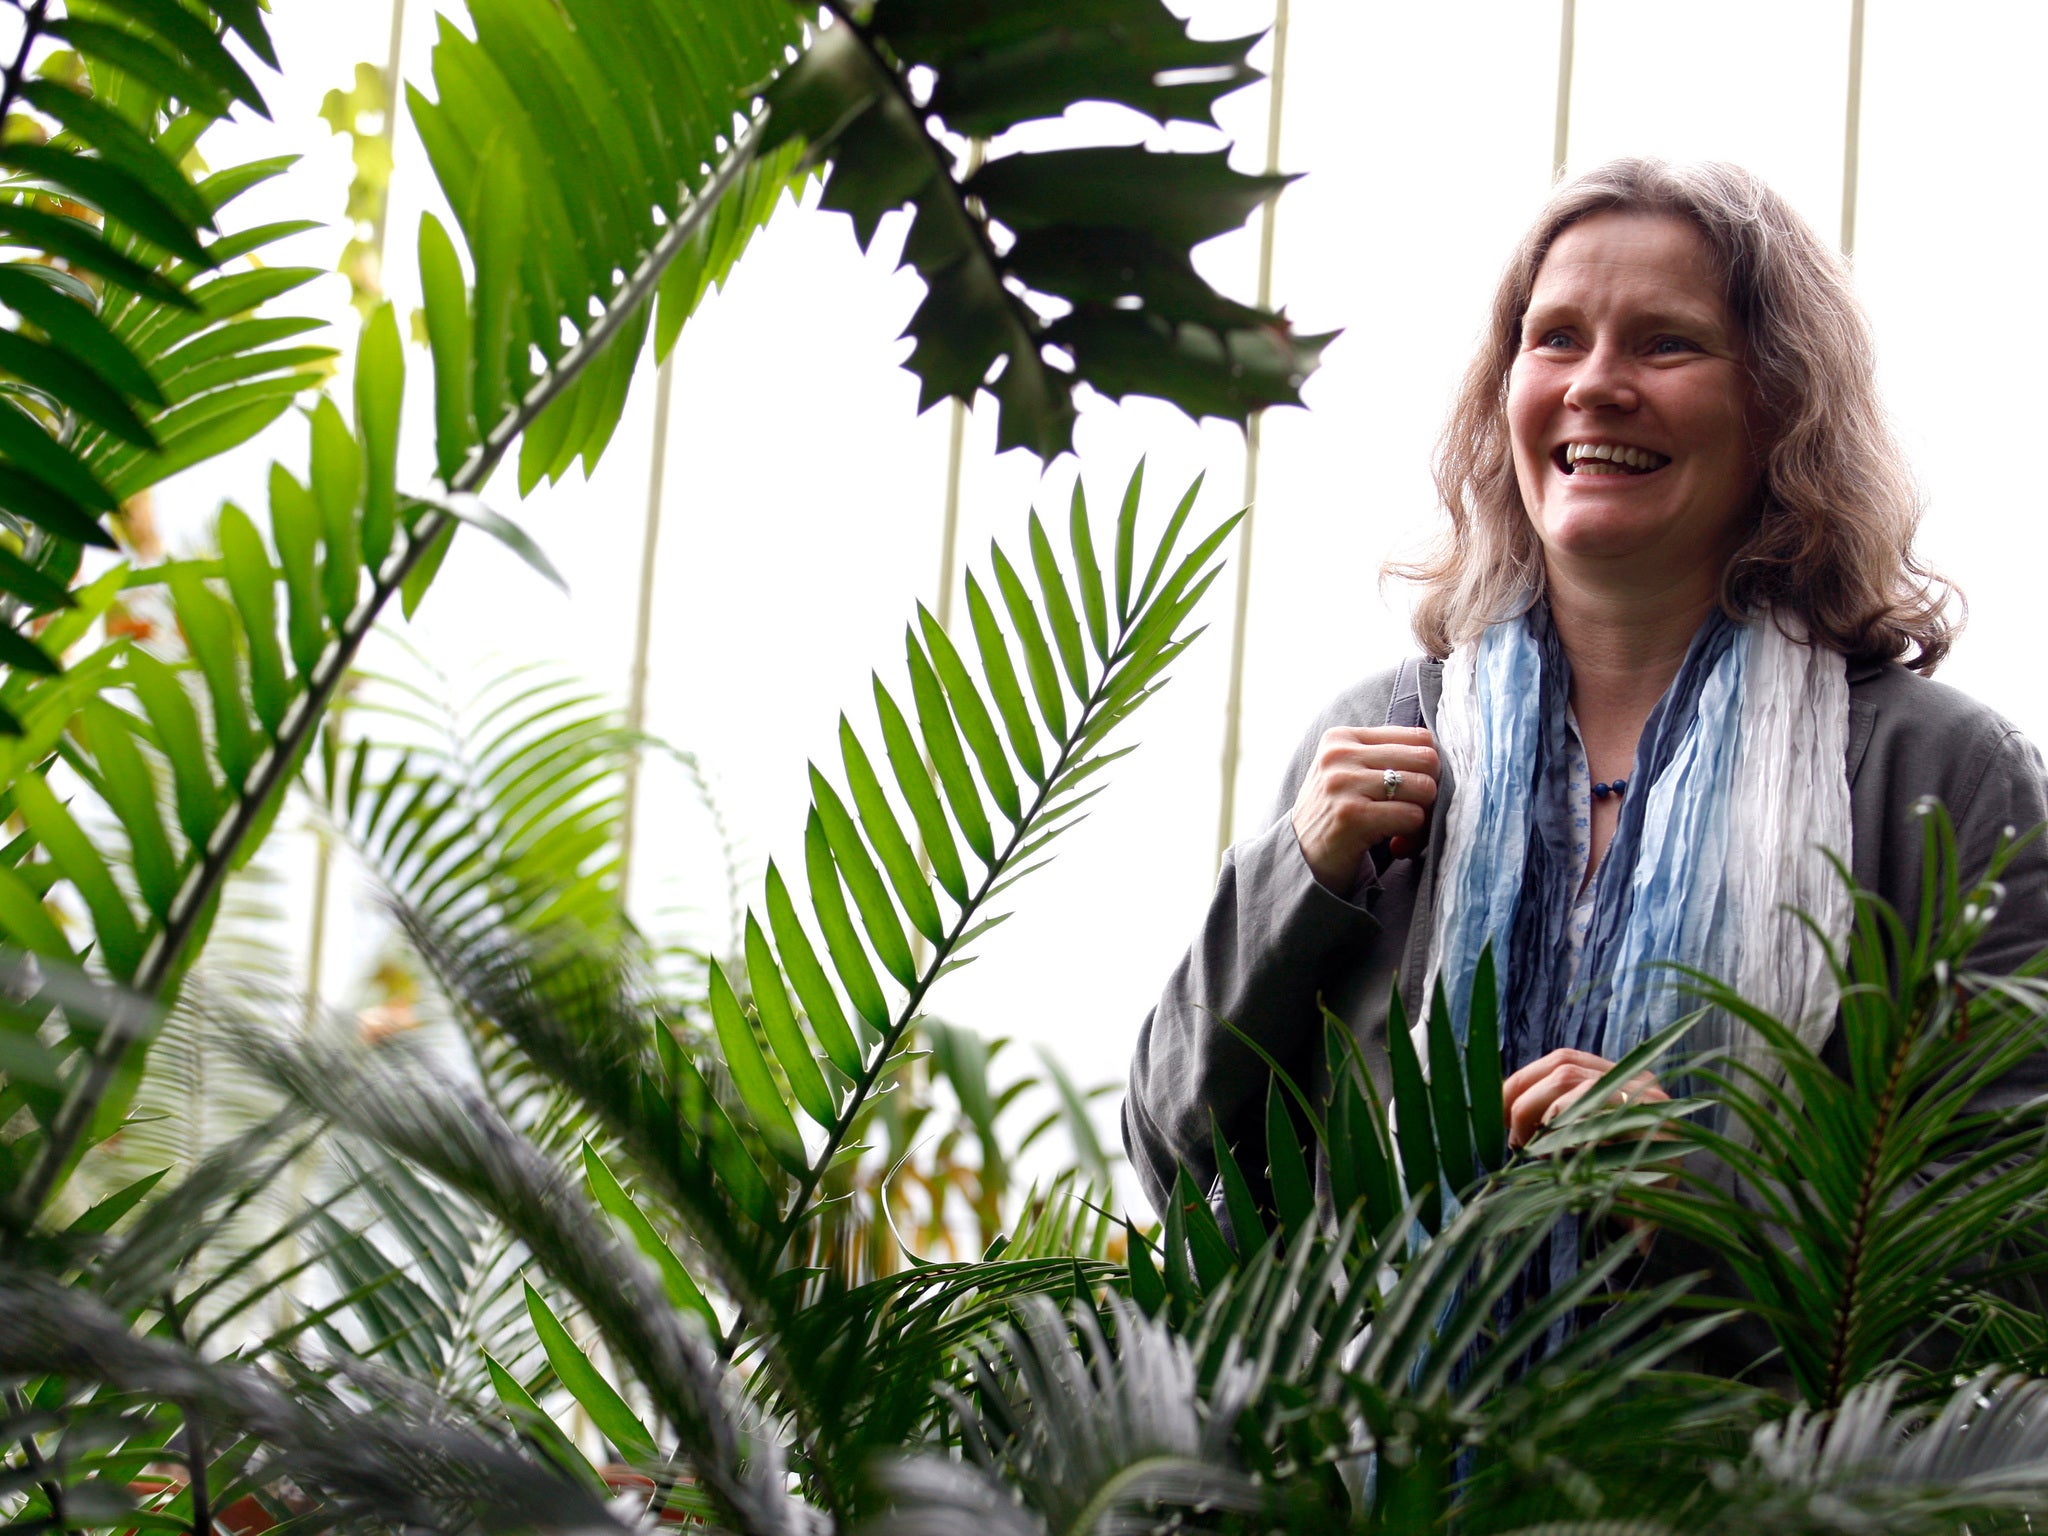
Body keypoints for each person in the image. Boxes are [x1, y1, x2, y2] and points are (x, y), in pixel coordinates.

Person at [1123, 158, 2048, 1235]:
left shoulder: (1936, 778)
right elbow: (1179, 1165)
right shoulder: (1373, 743)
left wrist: (1703, 1186)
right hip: (1367, 1406)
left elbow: (2011, 1243)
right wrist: (1295, 878)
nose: (1594, 383)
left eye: (1665, 341)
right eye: (1554, 337)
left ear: (1779, 402)